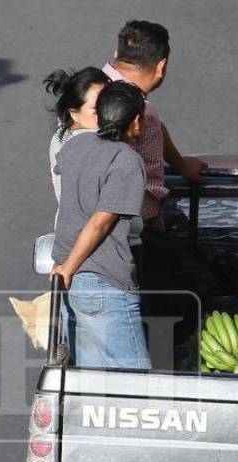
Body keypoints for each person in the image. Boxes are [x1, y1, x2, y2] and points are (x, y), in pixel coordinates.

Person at [49, 81, 150, 369]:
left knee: (92, 384)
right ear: (137, 120)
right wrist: (69, 266)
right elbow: (100, 223)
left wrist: (66, 268)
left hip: (73, 286)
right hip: (104, 282)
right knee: (133, 384)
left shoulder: (76, 146)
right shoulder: (126, 160)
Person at [102, 19, 207, 225]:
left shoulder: (85, 92)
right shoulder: (140, 111)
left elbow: (156, 128)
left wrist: (181, 165)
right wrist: (183, 167)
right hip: (128, 228)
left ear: (117, 52)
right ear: (161, 67)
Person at [43, 67, 109, 202]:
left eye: (108, 102)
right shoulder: (85, 150)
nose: (107, 111)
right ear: (74, 113)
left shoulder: (65, 133)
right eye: (96, 108)